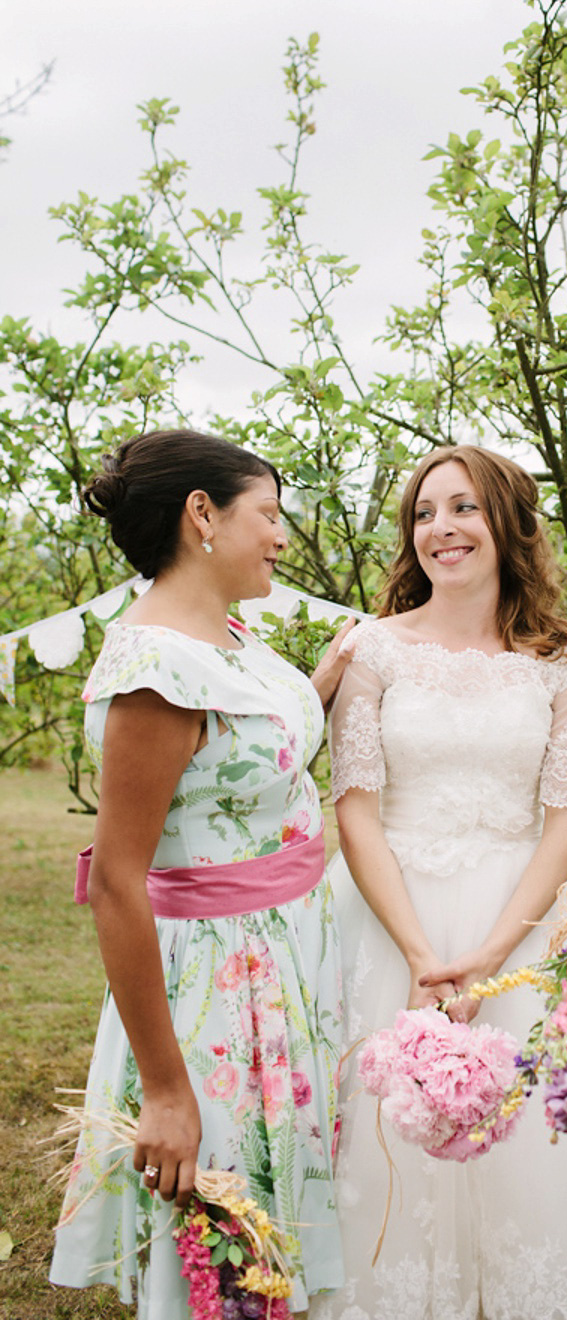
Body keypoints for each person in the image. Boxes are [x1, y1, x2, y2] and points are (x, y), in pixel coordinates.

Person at [311, 445, 567, 1320]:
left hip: (518, 923)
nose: (440, 530)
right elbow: (357, 808)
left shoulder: (561, 660)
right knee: (385, 1139)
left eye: (463, 509)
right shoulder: (373, 650)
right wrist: (421, 951)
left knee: (530, 1146)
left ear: (509, 524)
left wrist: (492, 954)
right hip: (385, 916)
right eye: (422, 513)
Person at [50, 429, 354, 1318]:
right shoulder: (155, 671)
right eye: (268, 513)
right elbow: (117, 883)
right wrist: (167, 1090)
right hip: (213, 991)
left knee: (269, 1245)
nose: (282, 537)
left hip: (282, 962)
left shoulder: (224, 634)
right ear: (202, 516)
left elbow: (236, 761)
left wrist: (320, 686)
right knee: (220, 1257)